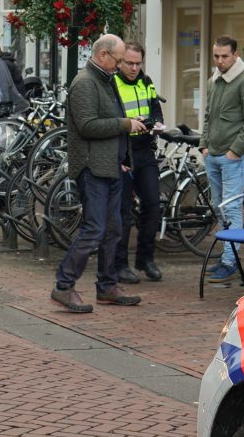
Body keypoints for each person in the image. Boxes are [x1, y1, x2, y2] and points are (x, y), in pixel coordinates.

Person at [51, 33, 145, 314]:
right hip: (92, 167)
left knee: (113, 229)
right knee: (94, 229)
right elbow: (88, 126)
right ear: (103, 55)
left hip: (111, 167)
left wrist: (122, 157)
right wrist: (125, 124)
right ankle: (64, 286)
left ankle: (107, 286)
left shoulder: (104, 80)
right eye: (117, 60)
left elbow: (110, 120)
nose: (120, 66)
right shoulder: (84, 83)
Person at [201, 36, 244, 283]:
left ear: (235, 54)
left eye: (224, 56)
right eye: (216, 56)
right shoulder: (213, 81)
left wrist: (235, 151)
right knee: (220, 208)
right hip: (213, 155)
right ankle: (227, 254)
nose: (220, 61)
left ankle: (230, 261)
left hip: (232, 158)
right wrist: (204, 145)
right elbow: (208, 116)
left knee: (231, 208)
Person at [114, 40, 164, 283]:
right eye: (129, 63)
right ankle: (120, 265)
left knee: (153, 205)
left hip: (144, 149)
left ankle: (145, 259)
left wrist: (153, 123)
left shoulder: (147, 82)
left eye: (137, 63)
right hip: (122, 151)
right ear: (120, 61)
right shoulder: (112, 83)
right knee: (123, 212)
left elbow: (156, 112)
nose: (134, 68)